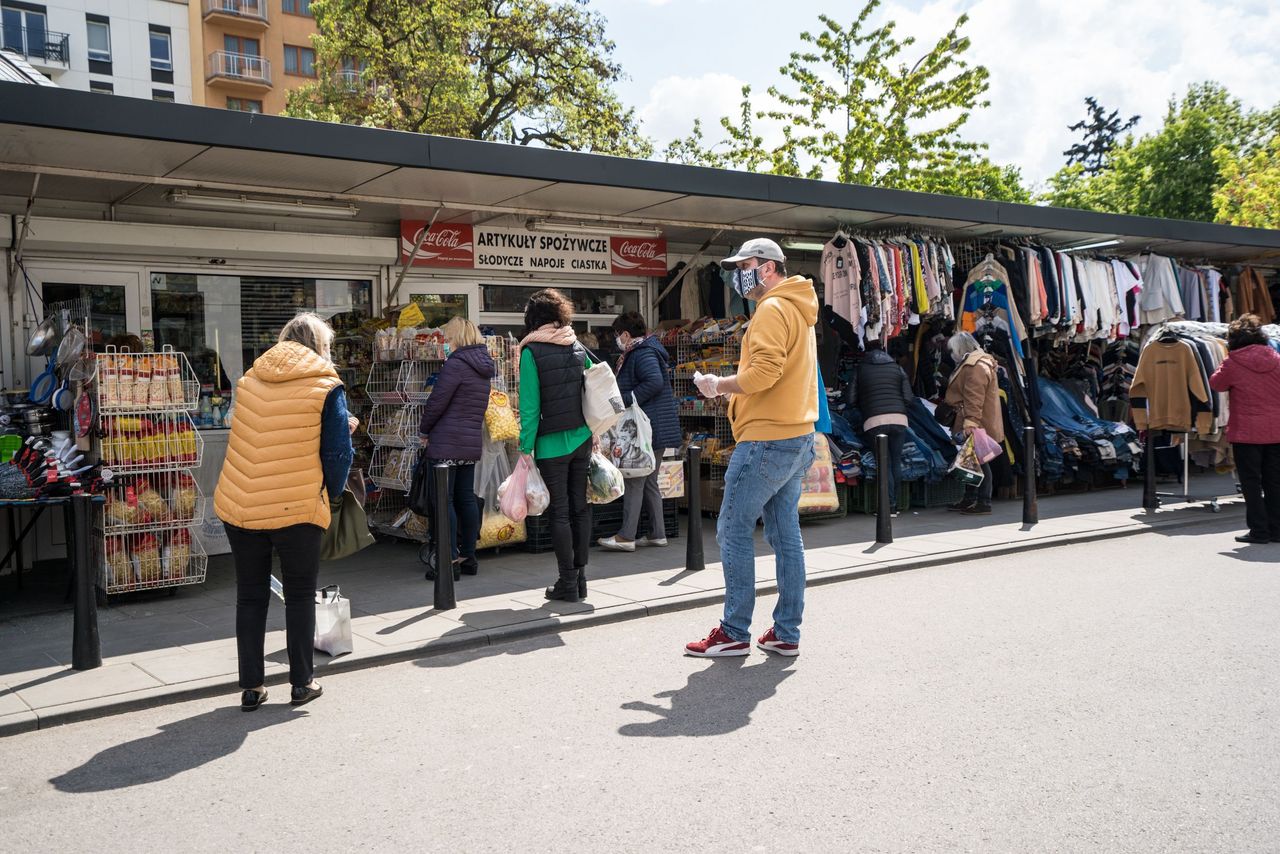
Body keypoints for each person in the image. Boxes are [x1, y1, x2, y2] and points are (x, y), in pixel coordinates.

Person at [214, 313, 356, 711]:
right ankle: (301, 682)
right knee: (298, 595)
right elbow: (336, 453)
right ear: (320, 346)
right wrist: (331, 491)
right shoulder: (327, 385)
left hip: (240, 501)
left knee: (251, 595)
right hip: (296, 504)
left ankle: (251, 687)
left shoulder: (250, 381)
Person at [686, 238, 818, 658]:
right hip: (797, 433)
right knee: (785, 534)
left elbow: (762, 374)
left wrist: (717, 386)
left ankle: (733, 630)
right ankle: (786, 631)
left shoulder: (771, 310)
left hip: (766, 437)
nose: (735, 275)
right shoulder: (797, 308)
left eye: (742, 266)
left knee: (732, 529)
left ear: (766, 268)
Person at [519, 288, 594, 602]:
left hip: (552, 445)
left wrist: (525, 448)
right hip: (582, 438)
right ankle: (581, 580)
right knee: (580, 509)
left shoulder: (531, 351)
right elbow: (592, 388)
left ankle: (567, 581)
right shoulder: (576, 345)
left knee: (560, 514)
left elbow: (529, 407)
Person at [418, 316, 496, 579]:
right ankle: (469, 557)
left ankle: (449, 561)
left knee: (446, 500)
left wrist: (424, 430)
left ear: (457, 339)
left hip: (446, 442)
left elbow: (437, 402)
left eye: (447, 339)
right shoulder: (484, 366)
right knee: (465, 497)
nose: (445, 345)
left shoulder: (456, 364)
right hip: (470, 441)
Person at [598, 311, 682, 552]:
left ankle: (626, 537)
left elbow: (653, 382)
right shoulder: (643, 350)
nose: (617, 340)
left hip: (648, 428)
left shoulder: (642, 352)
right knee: (649, 482)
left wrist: (627, 400)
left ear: (626, 334)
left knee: (635, 479)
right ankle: (657, 534)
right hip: (654, 427)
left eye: (617, 335)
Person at [1208, 314, 1280, 544]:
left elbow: (1216, 384)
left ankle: (1259, 531)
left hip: (1246, 432)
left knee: (1251, 481)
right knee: (1274, 481)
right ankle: (1277, 530)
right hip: (1276, 430)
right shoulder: (1277, 359)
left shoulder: (1233, 361)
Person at [849, 338, 915, 516]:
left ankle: (888, 507)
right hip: (899, 419)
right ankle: (895, 505)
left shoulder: (861, 369)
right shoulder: (896, 367)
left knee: (882, 463)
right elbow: (909, 398)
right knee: (895, 461)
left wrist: (865, 406)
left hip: (874, 421)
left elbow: (851, 399)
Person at [943, 331, 1003, 515]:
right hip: (977, 419)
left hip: (976, 422)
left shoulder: (974, 366)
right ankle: (970, 499)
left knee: (979, 461)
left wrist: (971, 422)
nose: (951, 354)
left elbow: (974, 397)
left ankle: (983, 502)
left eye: (953, 350)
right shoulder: (978, 363)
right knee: (971, 460)